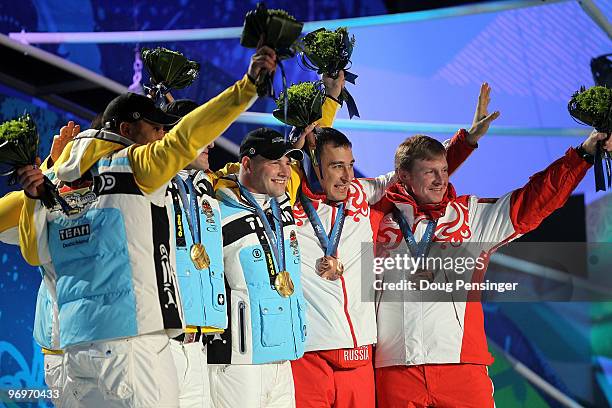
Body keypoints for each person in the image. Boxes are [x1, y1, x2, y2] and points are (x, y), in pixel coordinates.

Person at [15, 47, 274, 408]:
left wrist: (32, 195)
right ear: (126, 131)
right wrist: (246, 87)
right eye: (154, 128)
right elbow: (187, 138)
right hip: (132, 346)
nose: (159, 136)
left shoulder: (53, 181)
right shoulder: (132, 165)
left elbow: (34, 254)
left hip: (78, 350)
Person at [289, 83, 499, 408]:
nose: (347, 176)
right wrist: (305, 131)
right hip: (310, 353)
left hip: (360, 356)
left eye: (350, 165)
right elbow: (298, 155)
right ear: (315, 167)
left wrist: (466, 141)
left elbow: (416, 173)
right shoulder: (290, 205)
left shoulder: (362, 194)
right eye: (336, 167)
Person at [374, 124, 612, 407]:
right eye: (429, 172)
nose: (440, 180)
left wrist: (582, 155)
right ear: (403, 176)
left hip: (461, 367)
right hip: (395, 369)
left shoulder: (471, 217)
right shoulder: (375, 221)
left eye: (444, 170)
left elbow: (533, 200)